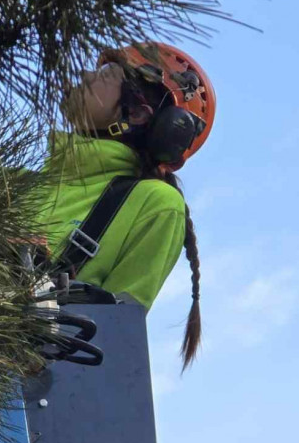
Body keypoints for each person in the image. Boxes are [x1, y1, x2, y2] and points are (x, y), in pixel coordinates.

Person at [34, 42, 215, 370]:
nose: (86, 74)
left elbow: (106, 339)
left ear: (137, 113)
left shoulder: (155, 206)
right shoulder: (10, 183)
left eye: (106, 73)